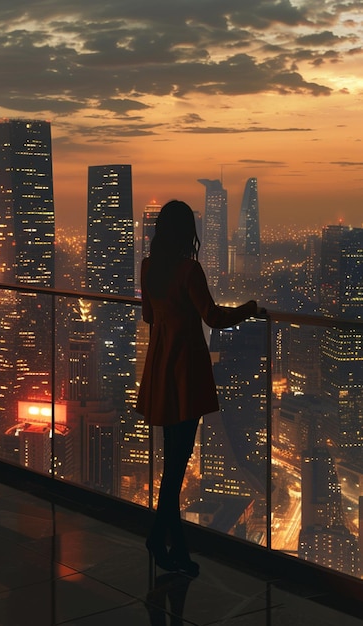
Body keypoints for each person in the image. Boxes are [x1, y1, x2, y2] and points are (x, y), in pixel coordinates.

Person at [136, 199, 259, 577]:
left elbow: (147, 316)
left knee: (172, 466)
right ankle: (160, 540)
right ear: (188, 233)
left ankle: (174, 548)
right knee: (176, 465)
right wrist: (249, 308)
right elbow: (214, 316)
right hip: (185, 371)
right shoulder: (189, 270)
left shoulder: (148, 267)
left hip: (160, 367)